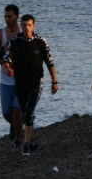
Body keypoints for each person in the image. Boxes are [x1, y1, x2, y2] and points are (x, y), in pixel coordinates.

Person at [7, 14, 59, 154]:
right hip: (20, 83)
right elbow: (6, 58)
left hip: (37, 82)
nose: (26, 28)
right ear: (20, 26)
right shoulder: (14, 41)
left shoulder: (41, 41)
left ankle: (27, 143)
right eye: (23, 25)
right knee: (24, 113)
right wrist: (8, 66)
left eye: (29, 25)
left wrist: (54, 81)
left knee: (29, 113)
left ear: (33, 26)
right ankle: (28, 140)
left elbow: (50, 62)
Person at [0, 5, 23, 146]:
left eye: (10, 16)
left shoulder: (23, 33)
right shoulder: (0, 34)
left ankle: (19, 138)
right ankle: (18, 126)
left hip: (21, 80)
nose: (7, 19)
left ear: (17, 16)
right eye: (5, 16)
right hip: (5, 80)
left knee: (16, 110)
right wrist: (4, 63)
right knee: (6, 112)